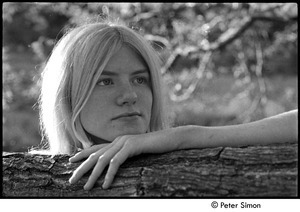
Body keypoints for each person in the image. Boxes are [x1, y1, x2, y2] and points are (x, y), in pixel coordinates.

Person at [35, 20, 298, 191]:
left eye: (140, 79)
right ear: (66, 94)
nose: (129, 95)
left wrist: (182, 137)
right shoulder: (31, 178)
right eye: (105, 82)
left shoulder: (180, 158)